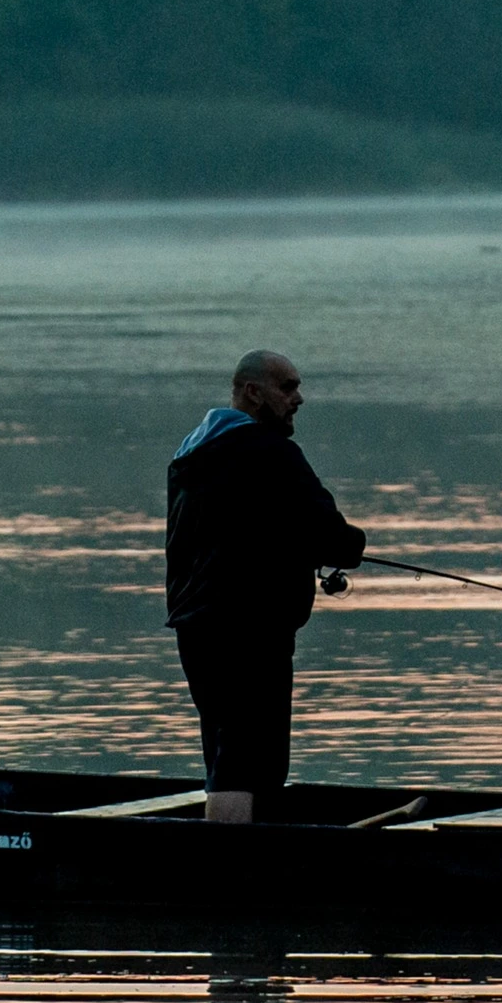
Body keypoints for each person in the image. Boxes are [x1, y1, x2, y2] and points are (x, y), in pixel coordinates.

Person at [165, 349, 367, 823]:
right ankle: (233, 875)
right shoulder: (272, 453)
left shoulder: (189, 454)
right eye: (288, 387)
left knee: (224, 746)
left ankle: (246, 864)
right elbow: (331, 536)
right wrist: (353, 544)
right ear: (253, 392)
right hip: (250, 630)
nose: (299, 399)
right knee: (249, 759)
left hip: (195, 627)